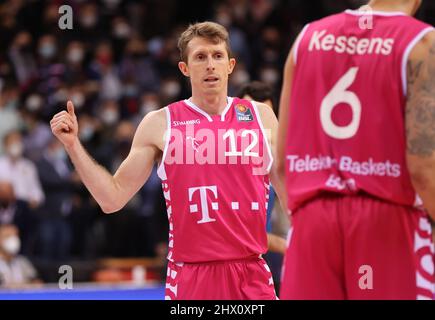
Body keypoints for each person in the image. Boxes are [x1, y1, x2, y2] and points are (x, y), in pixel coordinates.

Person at [50, 21, 285, 300]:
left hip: (251, 272)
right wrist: (74, 145)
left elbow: (292, 197)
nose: (210, 64)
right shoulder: (160, 123)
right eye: (200, 57)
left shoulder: (261, 117)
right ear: (185, 69)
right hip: (191, 276)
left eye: (217, 56)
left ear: (230, 65)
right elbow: (111, 199)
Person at [277, 0, 435, 299]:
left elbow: (281, 161)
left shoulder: (307, 37)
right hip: (386, 222)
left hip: (312, 219)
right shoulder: (423, 42)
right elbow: (423, 168)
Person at [0, 224, 41, 288]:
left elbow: (38, 283)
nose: (13, 240)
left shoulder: (23, 262)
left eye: (15, 236)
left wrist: (21, 285)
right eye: (8, 236)